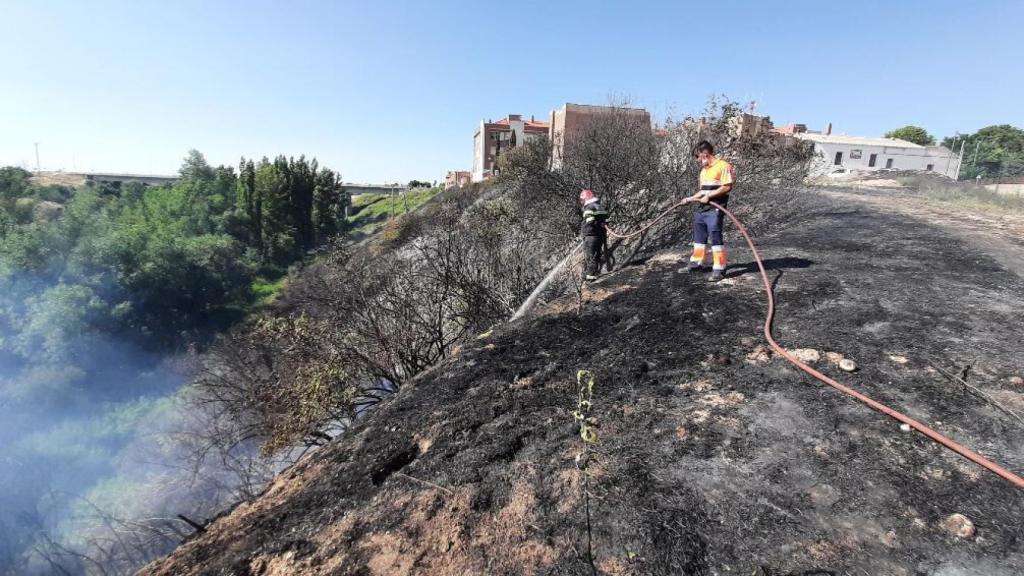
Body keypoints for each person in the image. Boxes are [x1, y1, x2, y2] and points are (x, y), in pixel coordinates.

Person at [682, 140, 734, 282]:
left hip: (715, 208)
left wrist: (709, 196)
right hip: (702, 209)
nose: (699, 161)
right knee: (699, 238)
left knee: (715, 238)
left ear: (705, 154)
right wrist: (690, 198)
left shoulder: (723, 166)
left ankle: (720, 268)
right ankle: (696, 264)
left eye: (698, 158)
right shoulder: (704, 171)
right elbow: (702, 191)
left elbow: (726, 187)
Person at [578, 189, 609, 281]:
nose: (581, 202)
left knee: (591, 257)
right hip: (599, 236)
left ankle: (590, 278)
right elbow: (606, 220)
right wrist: (601, 225)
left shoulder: (589, 207)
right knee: (596, 255)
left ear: (585, 199)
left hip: (591, 236)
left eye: (582, 200)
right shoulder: (600, 206)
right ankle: (594, 274)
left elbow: (590, 221)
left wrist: (597, 224)